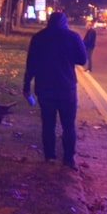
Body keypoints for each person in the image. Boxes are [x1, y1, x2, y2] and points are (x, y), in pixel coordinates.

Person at [23, 10, 88, 169]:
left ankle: (50, 156)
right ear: (65, 22)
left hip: (45, 88)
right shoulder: (73, 37)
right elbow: (82, 59)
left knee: (48, 124)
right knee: (68, 125)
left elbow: (31, 64)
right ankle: (68, 159)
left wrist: (26, 86)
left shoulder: (38, 38)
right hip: (66, 88)